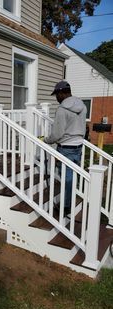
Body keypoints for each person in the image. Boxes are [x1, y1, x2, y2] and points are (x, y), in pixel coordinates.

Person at [44, 81, 87, 215]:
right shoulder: (83, 106)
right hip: (78, 146)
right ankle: (68, 202)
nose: (56, 98)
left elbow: (57, 134)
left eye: (57, 94)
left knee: (66, 178)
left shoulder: (62, 109)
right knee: (72, 177)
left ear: (62, 93)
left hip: (66, 147)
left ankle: (65, 206)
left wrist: (46, 140)